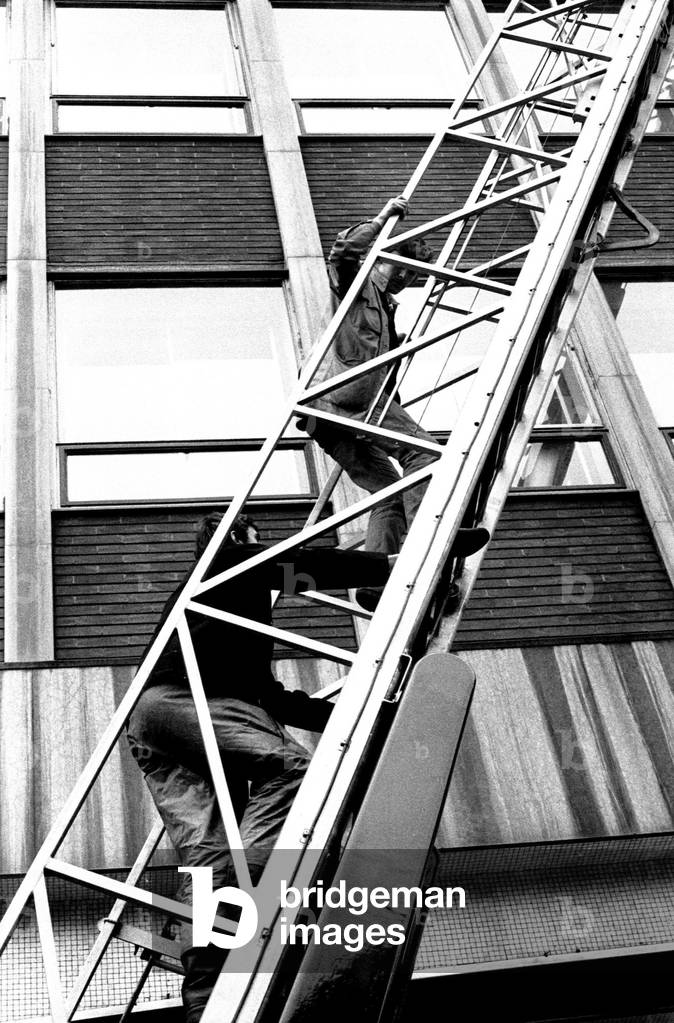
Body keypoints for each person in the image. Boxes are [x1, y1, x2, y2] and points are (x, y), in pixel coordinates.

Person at [126, 512, 396, 1023]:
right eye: (258, 540)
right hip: (191, 701)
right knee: (293, 770)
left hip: (155, 720)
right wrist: (384, 566)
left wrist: (359, 711)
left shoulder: (224, 616)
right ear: (239, 539)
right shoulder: (228, 562)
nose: (264, 546)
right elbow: (293, 568)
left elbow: (274, 699)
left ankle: (204, 996)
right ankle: (254, 899)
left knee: (208, 854)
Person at [303, 196, 489, 609]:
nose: (408, 279)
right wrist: (384, 218)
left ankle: (376, 582)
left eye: (412, 274)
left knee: (389, 492)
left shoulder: (385, 308)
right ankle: (435, 534)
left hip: (330, 414)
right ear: (390, 260)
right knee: (425, 454)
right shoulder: (358, 284)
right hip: (349, 397)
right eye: (406, 270)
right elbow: (345, 251)